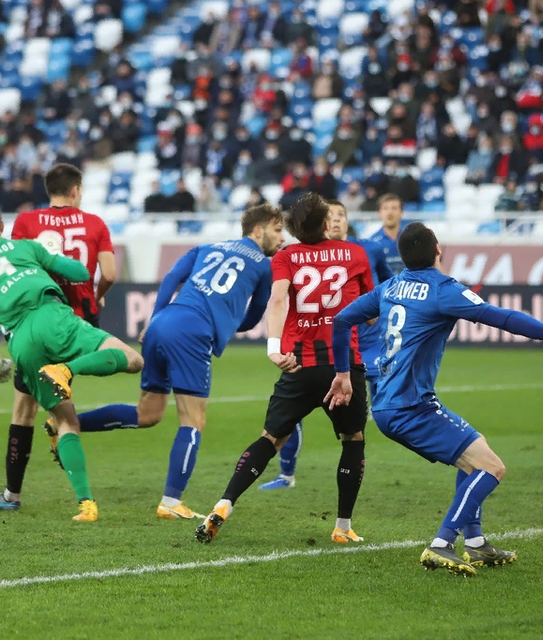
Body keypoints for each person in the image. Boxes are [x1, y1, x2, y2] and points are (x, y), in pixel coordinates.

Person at [331, 222, 543, 575]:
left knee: (475, 453)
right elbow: (503, 318)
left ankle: (475, 543)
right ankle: (442, 542)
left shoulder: (390, 286)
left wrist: (343, 373)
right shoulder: (443, 290)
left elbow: (340, 320)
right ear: (438, 249)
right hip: (411, 406)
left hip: (386, 403)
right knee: (493, 467)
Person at [74, 203, 283, 518]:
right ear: (258, 229)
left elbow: (171, 277)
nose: (282, 238)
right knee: (193, 420)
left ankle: (67, 424)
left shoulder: (204, 247)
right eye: (278, 229)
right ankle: (171, 503)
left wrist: (155, 319)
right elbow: (255, 316)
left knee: (148, 413)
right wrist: (227, 321)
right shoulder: (267, 267)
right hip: (193, 333)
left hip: (163, 323)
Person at [195, 193, 373, 545]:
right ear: (326, 224)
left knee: (271, 439)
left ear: (292, 228)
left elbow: (277, 300)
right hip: (343, 368)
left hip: (299, 365)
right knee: (352, 439)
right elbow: (371, 307)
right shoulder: (355, 254)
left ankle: (223, 503)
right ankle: (342, 526)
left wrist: (274, 347)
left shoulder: (286, 257)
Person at [0, 199, 143, 522]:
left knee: (65, 421)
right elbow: (78, 272)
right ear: (3, 227)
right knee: (133, 360)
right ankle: (67, 369)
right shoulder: (25, 247)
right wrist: (49, 258)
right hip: (56, 316)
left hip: (23, 341)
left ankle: (84, 504)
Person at [0, 164, 118, 511]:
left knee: (23, 409)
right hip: (78, 322)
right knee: (101, 370)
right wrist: (97, 292)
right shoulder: (96, 224)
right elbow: (111, 273)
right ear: (76, 189)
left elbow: (13, 269)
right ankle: (60, 428)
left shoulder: (28, 223)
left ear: (50, 190)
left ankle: (12, 495)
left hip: (37, 320)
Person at [261, 199, 392, 491]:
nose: (335, 220)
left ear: (347, 220)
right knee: (331, 424)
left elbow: (388, 285)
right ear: (323, 223)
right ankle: (288, 475)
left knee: (371, 416)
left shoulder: (368, 250)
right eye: (330, 215)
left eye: (341, 215)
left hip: (362, 345)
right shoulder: (315, 254)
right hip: (326, 348)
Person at [366, 193, 408, 278]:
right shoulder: (372, 242)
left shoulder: (410, 240)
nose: (390, 212)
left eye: (394, 208)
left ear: (402, 212)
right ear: (379, 213)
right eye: (385, 208)